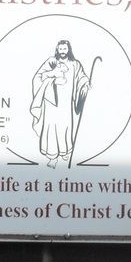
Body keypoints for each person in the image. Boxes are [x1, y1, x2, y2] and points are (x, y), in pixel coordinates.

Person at [30, 39, 91, 168]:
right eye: (61, 49)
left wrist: (85, 84)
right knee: (52, 128)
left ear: (68, 50)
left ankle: (65, 151)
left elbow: (81, 77)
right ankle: (52, 158)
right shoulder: (51, 62)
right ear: (57, 49)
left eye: (65, 49)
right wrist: (52, 78)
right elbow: (38, 77)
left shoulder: (75, 64)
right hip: (52, 103)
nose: (63, 51)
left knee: (66, 127)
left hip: (66, 103)